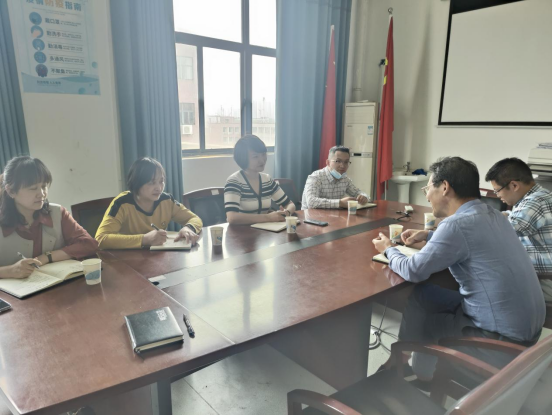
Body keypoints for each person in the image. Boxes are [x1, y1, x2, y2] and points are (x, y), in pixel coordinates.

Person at [372, 157, 545, 381]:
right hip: (527, 330)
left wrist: (388, 249)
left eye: (428, 188)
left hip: (499, 341)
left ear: (445, 187)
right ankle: (402, 361)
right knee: (424, 295)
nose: (426, 195)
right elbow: (473, 240)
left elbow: (414, 270)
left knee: (427, 322)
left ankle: (421, 378)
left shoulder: (455, 225)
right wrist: (430, 235)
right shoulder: (494, 214)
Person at [0, 156, 98, 278]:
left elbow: (89, 244)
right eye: (33, 188)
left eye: (43, 186)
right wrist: (9, 271)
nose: (41, 194)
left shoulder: (57, 213)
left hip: (56, 285)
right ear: (11, 191)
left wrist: (47, 257)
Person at [96, 157, 202, 249]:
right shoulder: (121, 203)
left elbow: (195, 219)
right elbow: (101, 239)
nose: (159, 188)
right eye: (152, 182)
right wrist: (144, 239)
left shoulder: (166, 200)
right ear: (137, 182)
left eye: (161, 181)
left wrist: (188, 228)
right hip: (126, 259)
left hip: (158, 257)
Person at [486, 157, 552, 302]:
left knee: (486, 290)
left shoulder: (536, 201)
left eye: (497, 191)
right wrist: (504, 215)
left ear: (514, 185)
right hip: (540, 277)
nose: (498, 196)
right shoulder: (536, 197)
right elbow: (511, 217)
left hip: (545, 281)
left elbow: (503, 229)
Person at [225, 135, 296, 225]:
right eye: (255, 157)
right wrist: (268, 217)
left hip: (265, 231)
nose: (262, 160)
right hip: (242, 232)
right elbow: (232, 217)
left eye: (263, 154)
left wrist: (286, 213)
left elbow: (289, 204)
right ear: (243, 159)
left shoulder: (267, 179)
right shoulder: (234, 181)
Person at [302, 146, 370, 209]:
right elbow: (311, 202)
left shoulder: (345, 179)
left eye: (346, 162)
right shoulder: (316, 177)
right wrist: (340, 203)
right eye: (338, 161)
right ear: (328, 162)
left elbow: (358, 192)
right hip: (311, 217)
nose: (342, 166)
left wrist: (364, 197)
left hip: (333, 216)